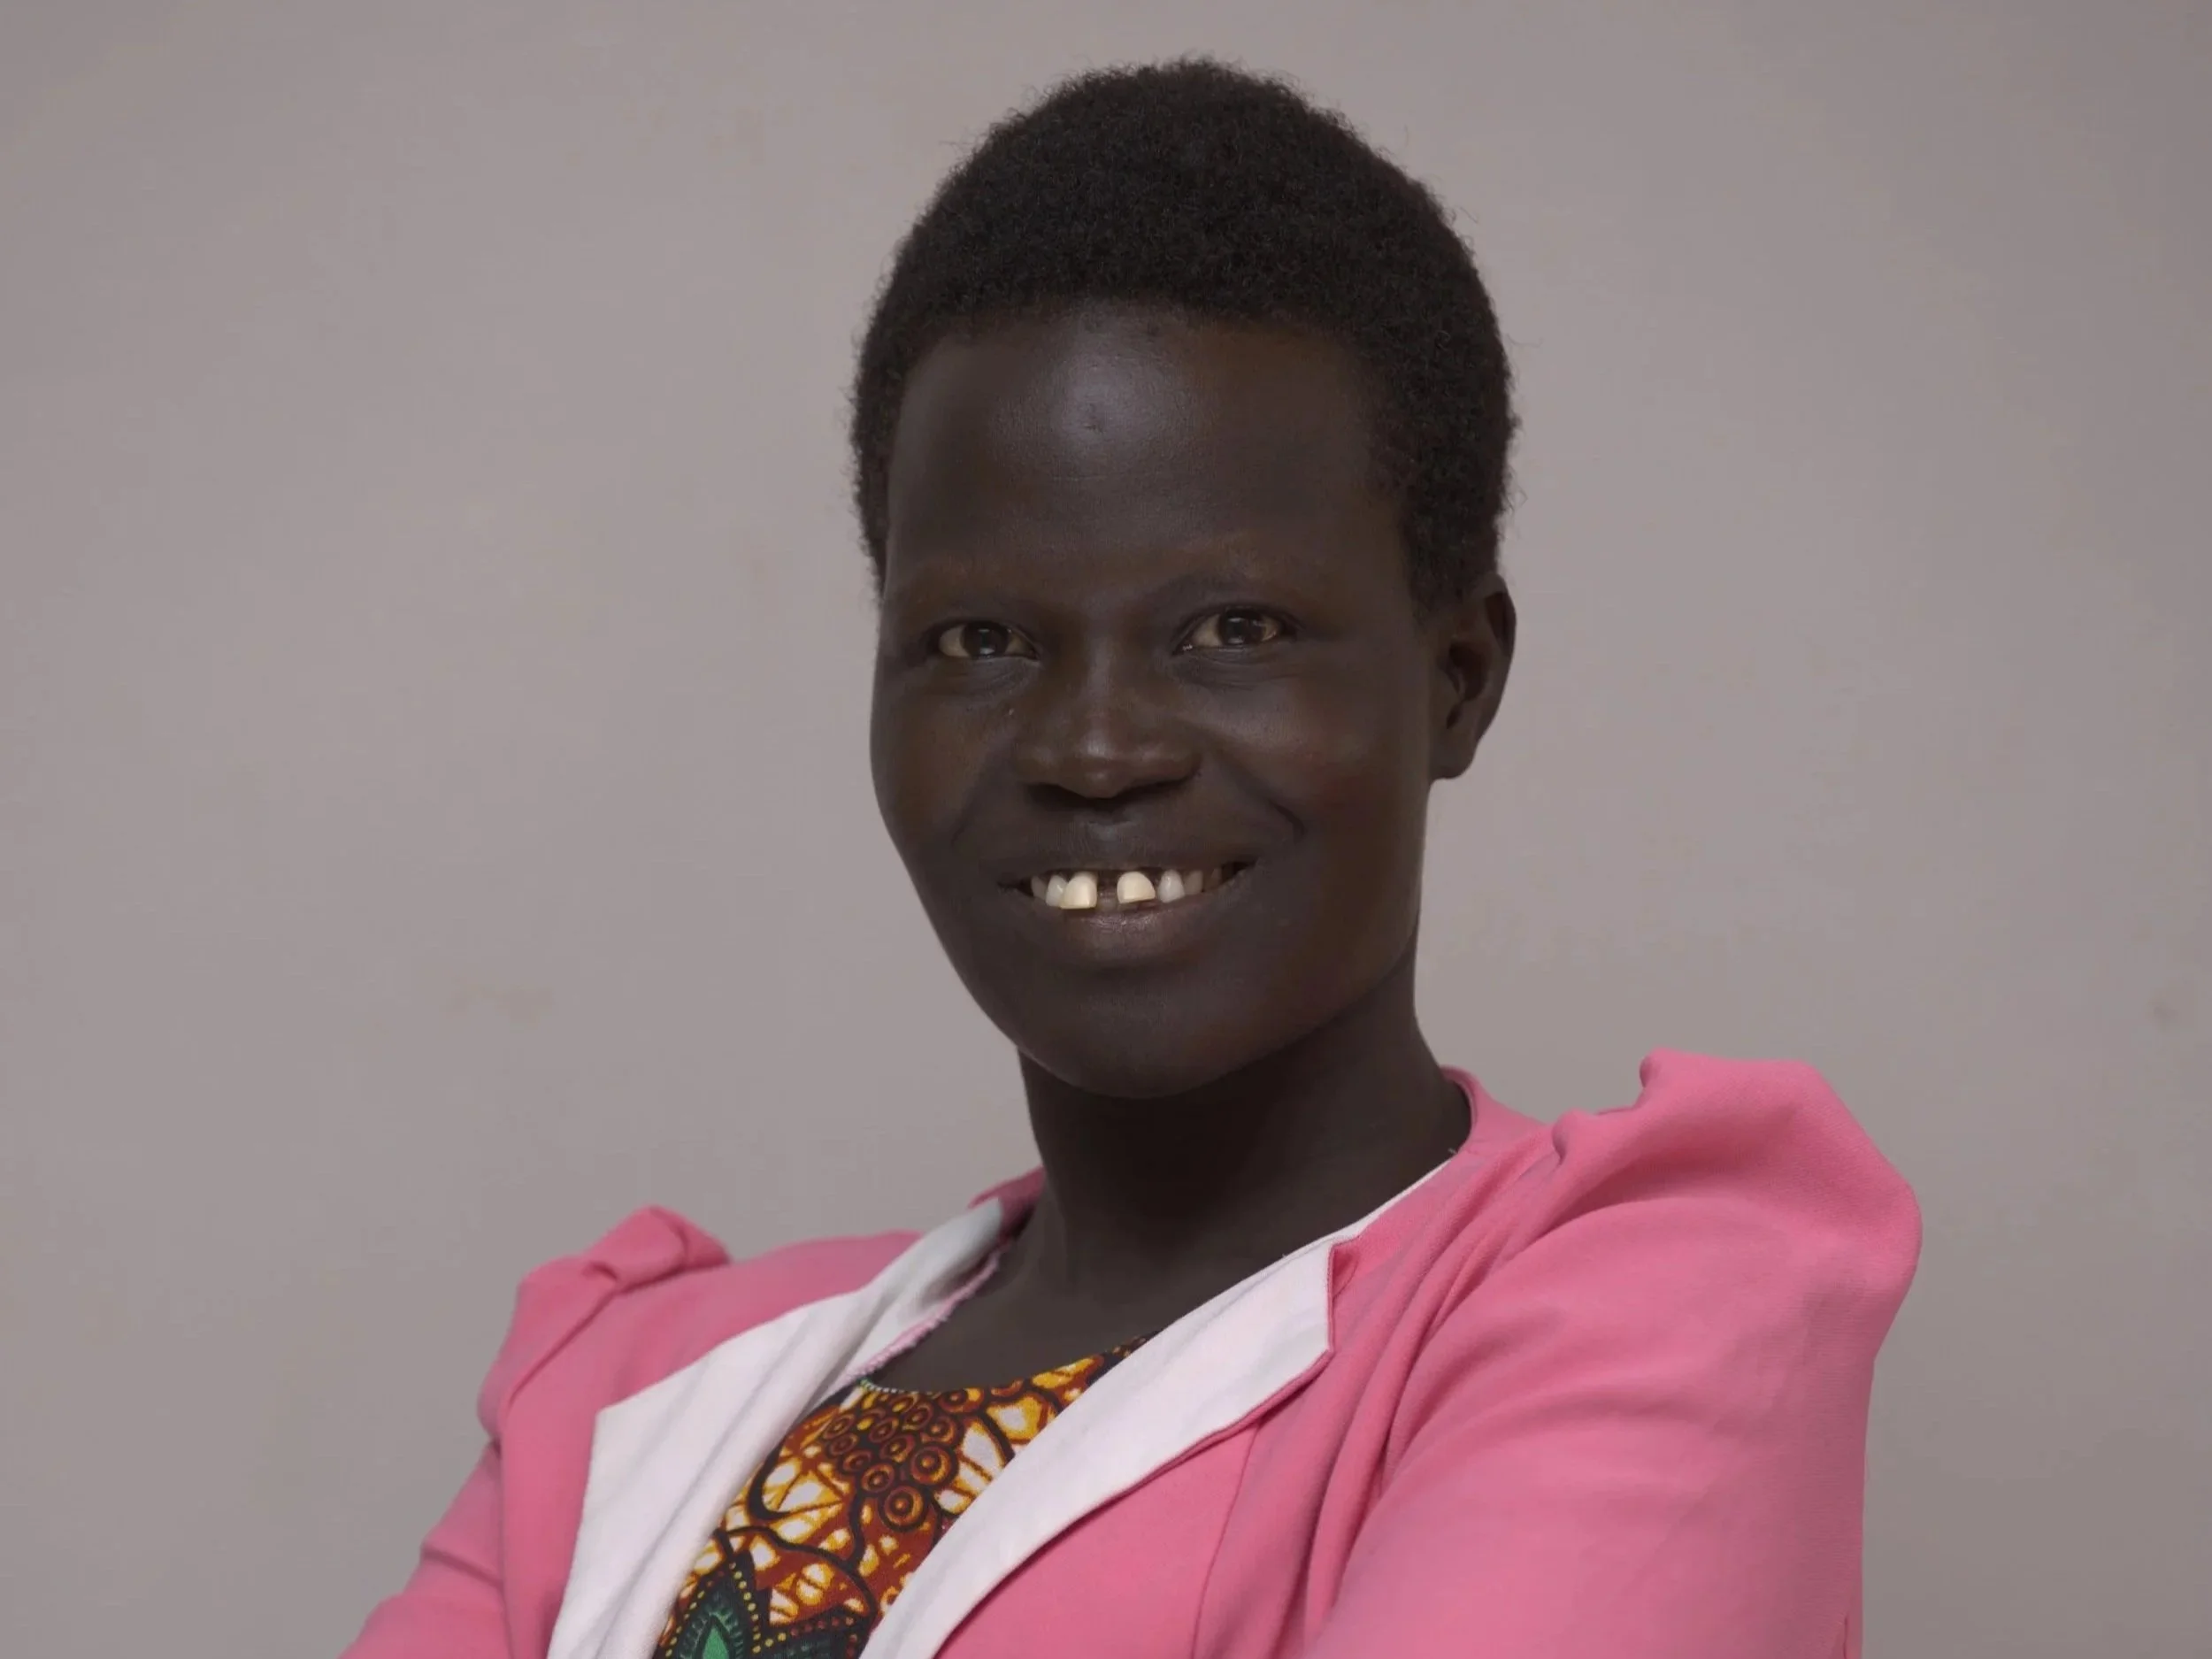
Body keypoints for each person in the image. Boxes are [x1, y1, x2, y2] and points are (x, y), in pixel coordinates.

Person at [343, 58, 1919, 1659]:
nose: (1095, 751)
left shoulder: (1629, 1312)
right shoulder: (641, 1392)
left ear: (1458, 676)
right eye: (978, 639)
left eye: (1232, 631)